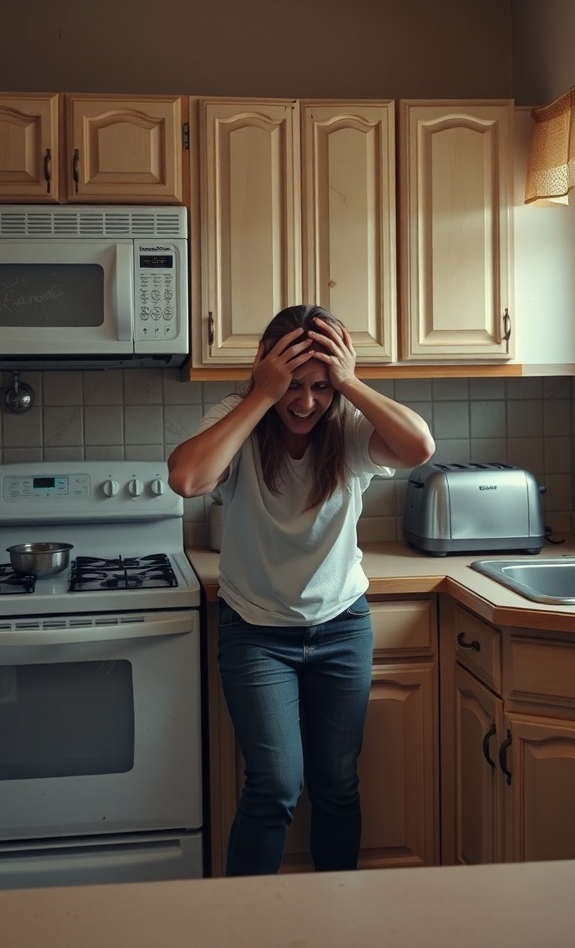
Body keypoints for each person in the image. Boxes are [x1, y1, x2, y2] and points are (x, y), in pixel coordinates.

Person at [168, 304, 435, 876]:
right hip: (257, 635)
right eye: (293, 384)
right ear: (265, 371)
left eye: (319, 386)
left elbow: (419, 448)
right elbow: (187, 479)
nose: (306, 402)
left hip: (341, 626)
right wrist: (260, 395)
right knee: (274, 785)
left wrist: (351, 383)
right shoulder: (237, 417)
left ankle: (332, 919)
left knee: (338, 784)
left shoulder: (349, 427)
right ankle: (247, 924)